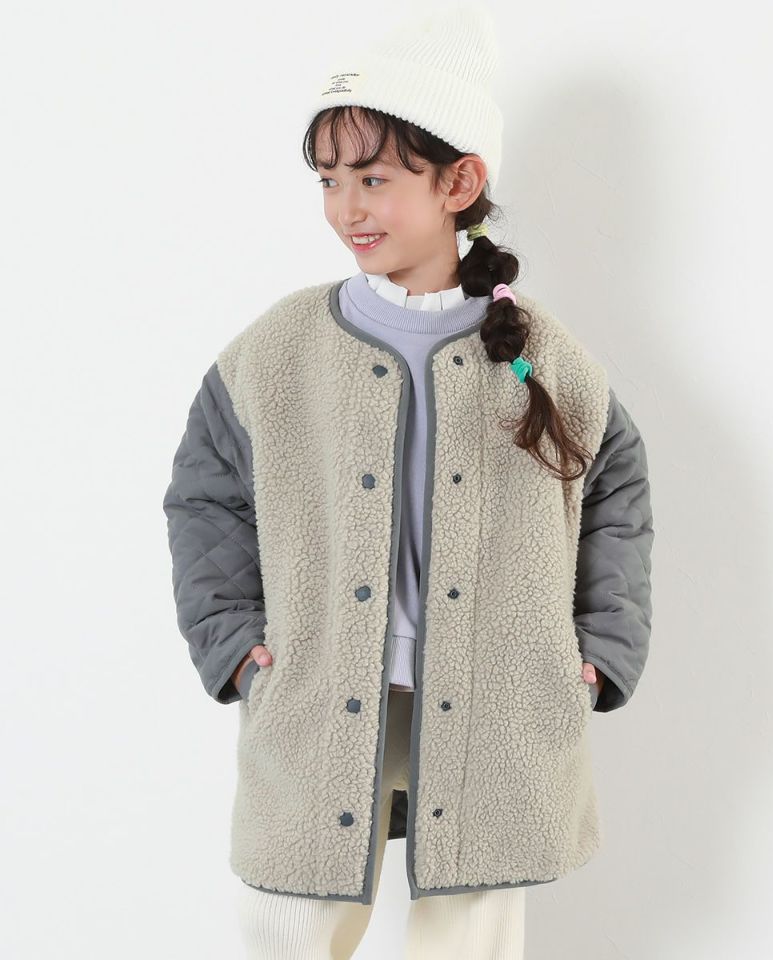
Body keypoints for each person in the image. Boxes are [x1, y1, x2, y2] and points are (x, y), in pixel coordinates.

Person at [162, 3, 654, 957]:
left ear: (458, 182)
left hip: (501, 700)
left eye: (376, 178)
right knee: (287, 926)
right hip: (318, 687)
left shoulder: (538, 352)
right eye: (330, 179)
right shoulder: (279, 348)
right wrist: (231, 639)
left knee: (471, 935)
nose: (347, 207)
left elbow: (615, 493)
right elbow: (205, 495)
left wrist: (600, 646)